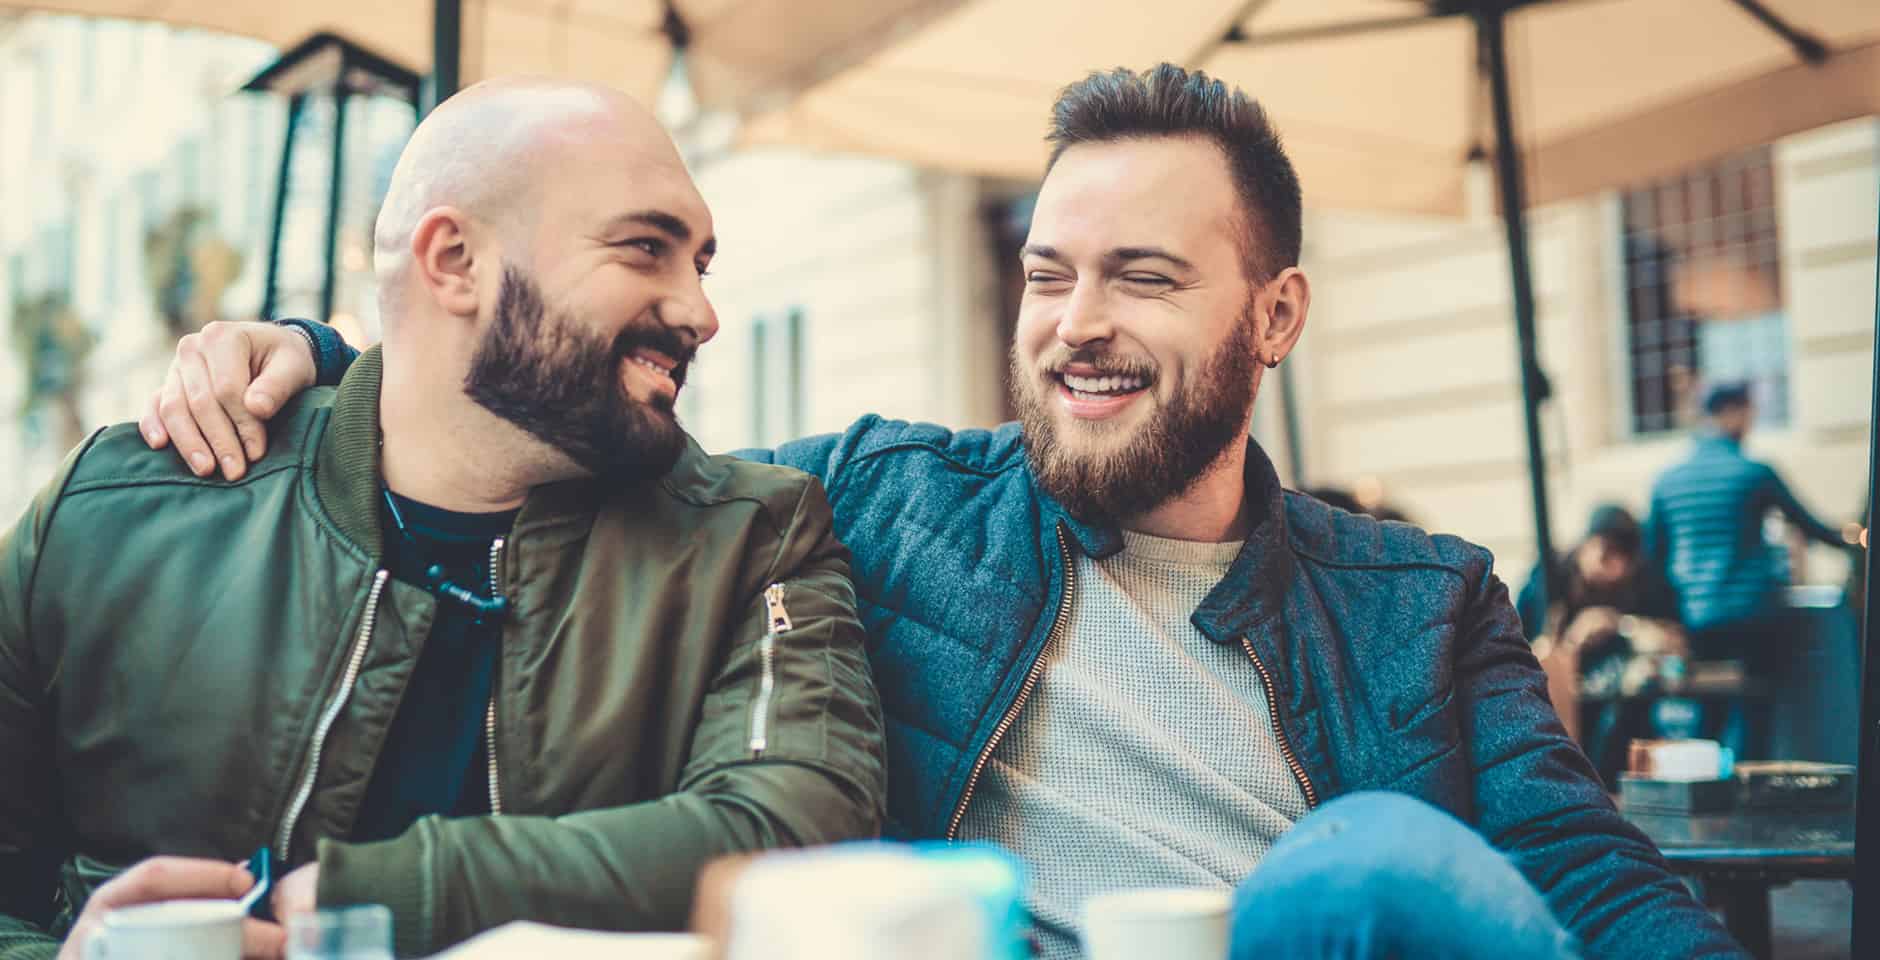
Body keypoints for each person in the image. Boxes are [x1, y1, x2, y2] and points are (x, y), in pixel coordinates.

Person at [142, 65, 1742, 958]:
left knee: (1360, 868)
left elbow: (1588, 881)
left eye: (1142, 277)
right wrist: (331, 358)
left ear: (1276, 317)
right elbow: (587, 416)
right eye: (1049, 274)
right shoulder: (879, 502)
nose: (1074, 325)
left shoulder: (1422, 599)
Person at [0, 80, 885, 960]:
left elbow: (792, 839)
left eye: (699, 264)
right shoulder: (113, 511)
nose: (701, 312)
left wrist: (360, 904)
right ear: (455, 261)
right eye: (645, 248)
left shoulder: (754, 540)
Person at [1643, 382, 1853, 752]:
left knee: (1709, 709)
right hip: (1752, 615)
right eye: (1748, 412)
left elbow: (1653, 556)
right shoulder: (1753, 473)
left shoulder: (1667, 481)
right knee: (1755, 709)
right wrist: (1858, 540)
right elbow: (1809, 526)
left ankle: (1705, 779)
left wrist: (1673, 614)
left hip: (1698, 617)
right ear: (1732, 413)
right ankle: (1751, 781)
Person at [1519, 505, 1685, 785]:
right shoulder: (1550, 578)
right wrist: (1572, 640)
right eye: (1606, 554)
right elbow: (1523, 646)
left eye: (1625, 558)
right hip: (1562, 708)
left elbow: (1677, 640)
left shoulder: (1646, 580)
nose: (1615, 568)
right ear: (1585, 546)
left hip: (1624, 708)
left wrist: (1620, 624)